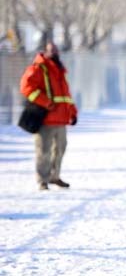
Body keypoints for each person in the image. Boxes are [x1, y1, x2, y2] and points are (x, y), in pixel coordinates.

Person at [19, 42, 78, 190]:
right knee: (43, 150)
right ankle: (42, 180)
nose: (55, 53)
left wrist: (72, 112)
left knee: (60, 149)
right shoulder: (39, 68)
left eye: (56, 50)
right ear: (44, 52)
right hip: (46, 119)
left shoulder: (59, 70)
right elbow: (26, 88)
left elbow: (65, 96)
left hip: (61, 119)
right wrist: (45, 102)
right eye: (51, 50)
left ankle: (54, 176)